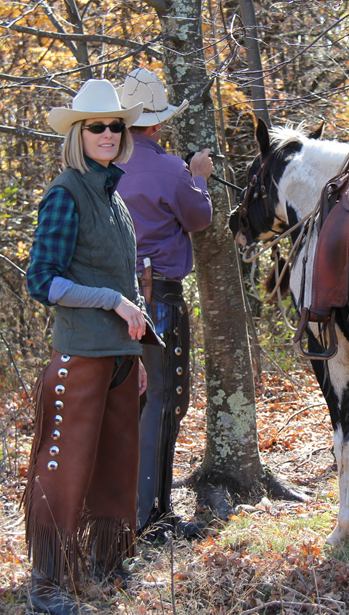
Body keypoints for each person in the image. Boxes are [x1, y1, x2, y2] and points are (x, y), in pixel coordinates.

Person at [23, 78, 155, 615]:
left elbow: (126, 280)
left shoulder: (113, 197)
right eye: (96, 126)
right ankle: (47, 583)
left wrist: (136, 354)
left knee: (118, 465)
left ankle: (106, 564)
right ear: (77, 134)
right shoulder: (66, 193)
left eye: (115, 126)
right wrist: (111, 301)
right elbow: (42, 281)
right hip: (80, 356)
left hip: (120, 357)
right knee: (66, 468)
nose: (107, 134)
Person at [115, 68, 213, 542]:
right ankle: (150, 516)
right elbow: (199, 217)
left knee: (132, 402)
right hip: (159, 299)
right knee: (164, 400)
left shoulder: (105, 167)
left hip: (113, 300)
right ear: (157, 124)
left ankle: (135, 508)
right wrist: (200, 178)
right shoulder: (171, 169)